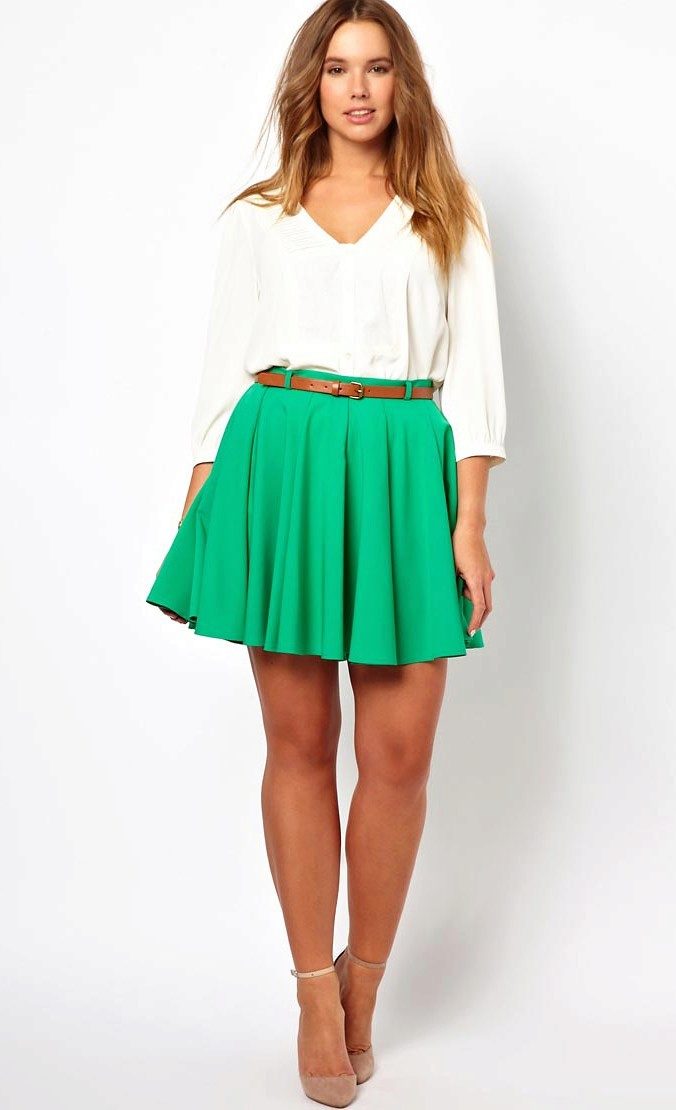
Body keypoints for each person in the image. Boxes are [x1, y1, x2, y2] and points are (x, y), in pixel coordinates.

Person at [146, 1, 507, 1105]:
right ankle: (313, 990)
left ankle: (364, 983)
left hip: (402, 466)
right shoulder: (258, 218)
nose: (358, 88)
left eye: (378, 68)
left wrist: (468, 520)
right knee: (298, 744)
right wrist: (205, 515)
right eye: (339, 67)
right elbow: (223, 379)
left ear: (403, 85)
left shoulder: (446, 215)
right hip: (283, 463)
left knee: (398, 760)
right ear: (311, 81)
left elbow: (475, 379)